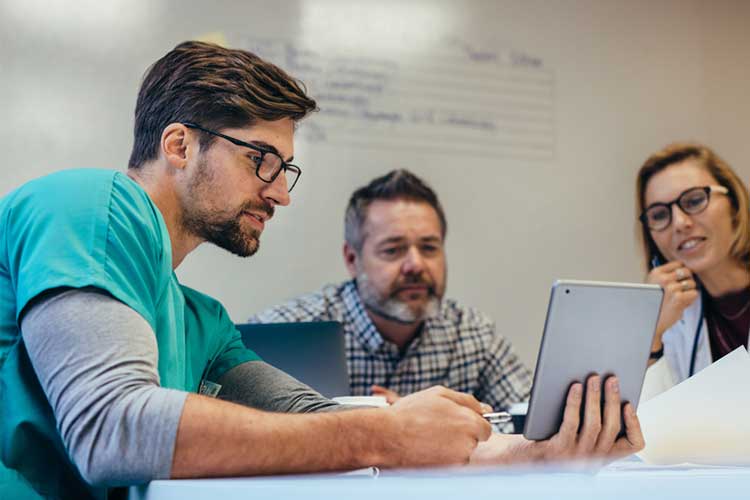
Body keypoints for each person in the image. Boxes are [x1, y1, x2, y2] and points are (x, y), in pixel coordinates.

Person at [0, 41, 643, 500]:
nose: (281, 194)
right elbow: (112, 429)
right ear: (178, 145)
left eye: (286, 169)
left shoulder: (203, 322)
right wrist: (388, 433)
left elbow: (316, 422)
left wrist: (538, 456)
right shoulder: (90, 204)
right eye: (263, 160)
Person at [252, 169, 531, 412]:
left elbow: (534, 426)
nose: (415, 265)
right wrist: (391, 427)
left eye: (429, 248)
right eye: (393, 250)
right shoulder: (284, 332)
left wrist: (443, 424)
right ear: (352, 259)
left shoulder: (472, 332)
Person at [636, 142, 750, 400]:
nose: (679, 223)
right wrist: (651, 333)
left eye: (695, 200)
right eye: (659, 215)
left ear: (734, 203)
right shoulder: (673, 315)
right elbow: (654, 426)